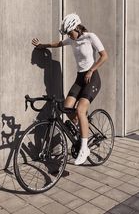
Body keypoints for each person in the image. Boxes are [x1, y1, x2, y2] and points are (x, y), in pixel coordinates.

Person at [32, 13, 108, 165]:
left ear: (76, 27)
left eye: (70, 32)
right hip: (80, 78)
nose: (69, 36)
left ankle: (85, 148)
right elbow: (58, 44)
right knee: (66, 108)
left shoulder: (90, 37)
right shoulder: (72, 40)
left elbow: (104, 56)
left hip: (92, 78)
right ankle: (83, 125)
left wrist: (91, 70)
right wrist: (43, 46)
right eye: (67, 34)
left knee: (80, 110)